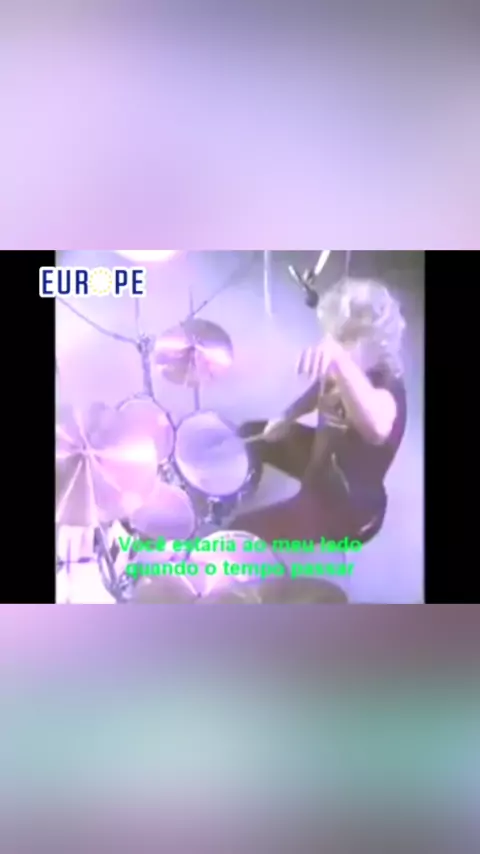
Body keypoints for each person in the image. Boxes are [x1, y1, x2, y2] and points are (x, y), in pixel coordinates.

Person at [228, 278, 408, 545]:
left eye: (341, 340)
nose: (330, 343)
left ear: (370, 343)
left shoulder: (385, 390)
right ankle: (242, 493)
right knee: (250, 434)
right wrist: (288, 416)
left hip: (344, 505)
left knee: (239, 531)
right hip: (321, 460)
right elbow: (322, 386)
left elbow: (378, 428)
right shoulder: (350, 360)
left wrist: (339, 359)